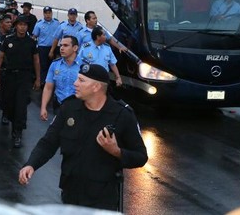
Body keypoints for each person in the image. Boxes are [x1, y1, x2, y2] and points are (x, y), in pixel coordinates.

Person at [19, 64, 148, 210]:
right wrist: (31, 164)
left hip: (102, 200)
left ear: (96, 87)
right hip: (71, 195)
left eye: (81, 80)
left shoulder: (122, 115)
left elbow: (141, 157)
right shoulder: (69, 108)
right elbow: (48, 142)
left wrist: (116, 151)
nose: (75, 83)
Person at [0, 15, 40, 148]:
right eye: (20, 25)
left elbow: (36, 60)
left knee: (21, 105)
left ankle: (18, 132)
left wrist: (38, 78)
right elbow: (0, 58)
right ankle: (11, 121)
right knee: (10, 103)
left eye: (25, 25)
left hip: (25, 77)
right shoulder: (8, 40)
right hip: (9, 76)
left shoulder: (31, 42)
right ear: (16, 26)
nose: (22, 27)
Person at [40, 35, 80, 120]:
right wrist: (43, 107)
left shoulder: (84, 66)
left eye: (65, 45)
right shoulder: (55, 65)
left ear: (75, 48)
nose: (61, 48)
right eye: (61, 45)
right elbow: (48, 88)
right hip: (59, 105)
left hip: (79, 107)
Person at [32, 6, 59, 84]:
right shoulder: (39, 24)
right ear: (43, 14)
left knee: (52, 66)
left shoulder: (56, 23)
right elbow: (34, 36)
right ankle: (42, 83)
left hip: (53, 47)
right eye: (46, 13)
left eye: (49, 13)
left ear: (52, 13)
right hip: (42, 48)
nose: (48, 15)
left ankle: (51, 82)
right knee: (43, 66)